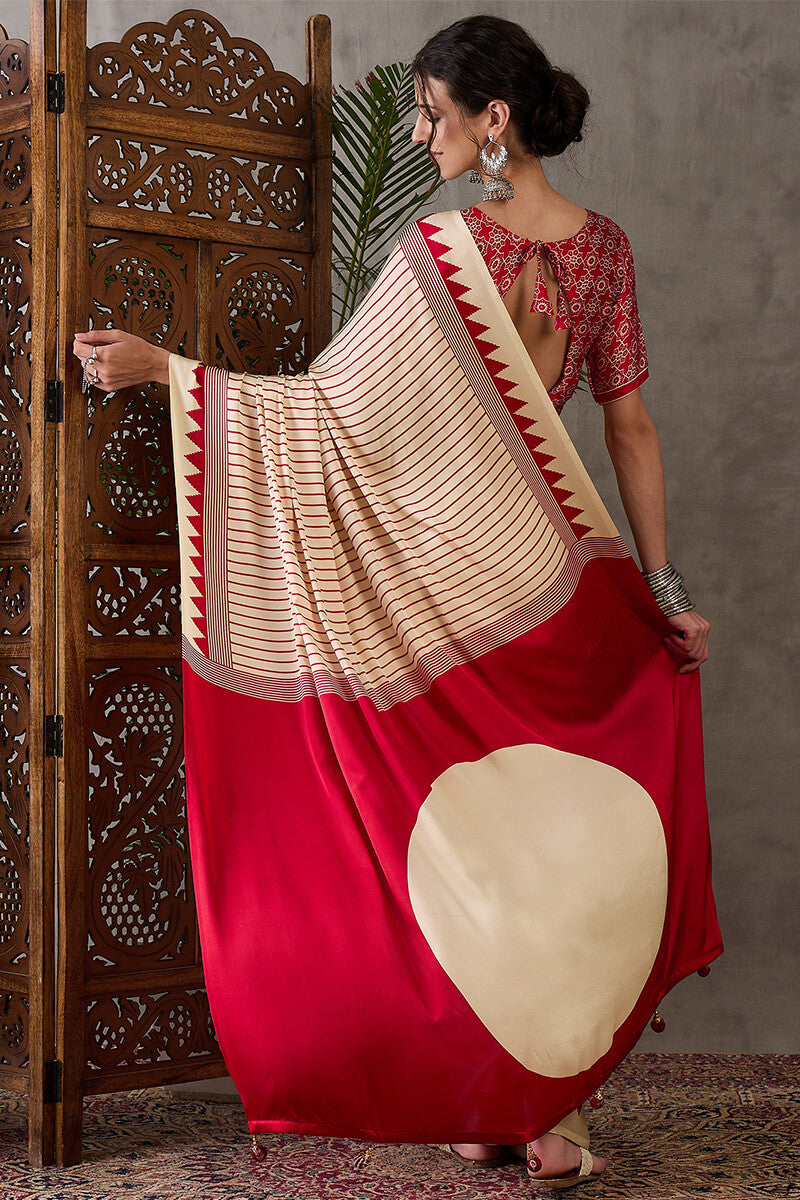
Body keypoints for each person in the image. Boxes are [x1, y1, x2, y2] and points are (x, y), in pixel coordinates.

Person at [74, 15, 720, 1193]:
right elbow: (626, 428)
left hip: (448, 590)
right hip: (546, 585)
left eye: (429, 113)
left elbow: (327, 412)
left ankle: (525, 1101)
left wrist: (171, 375)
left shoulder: (441, 249)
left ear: (492, 118)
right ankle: (522, 1105)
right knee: (536, 841)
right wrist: (661, 590)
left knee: (492, 844)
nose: (419, 135)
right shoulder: (598, 249)